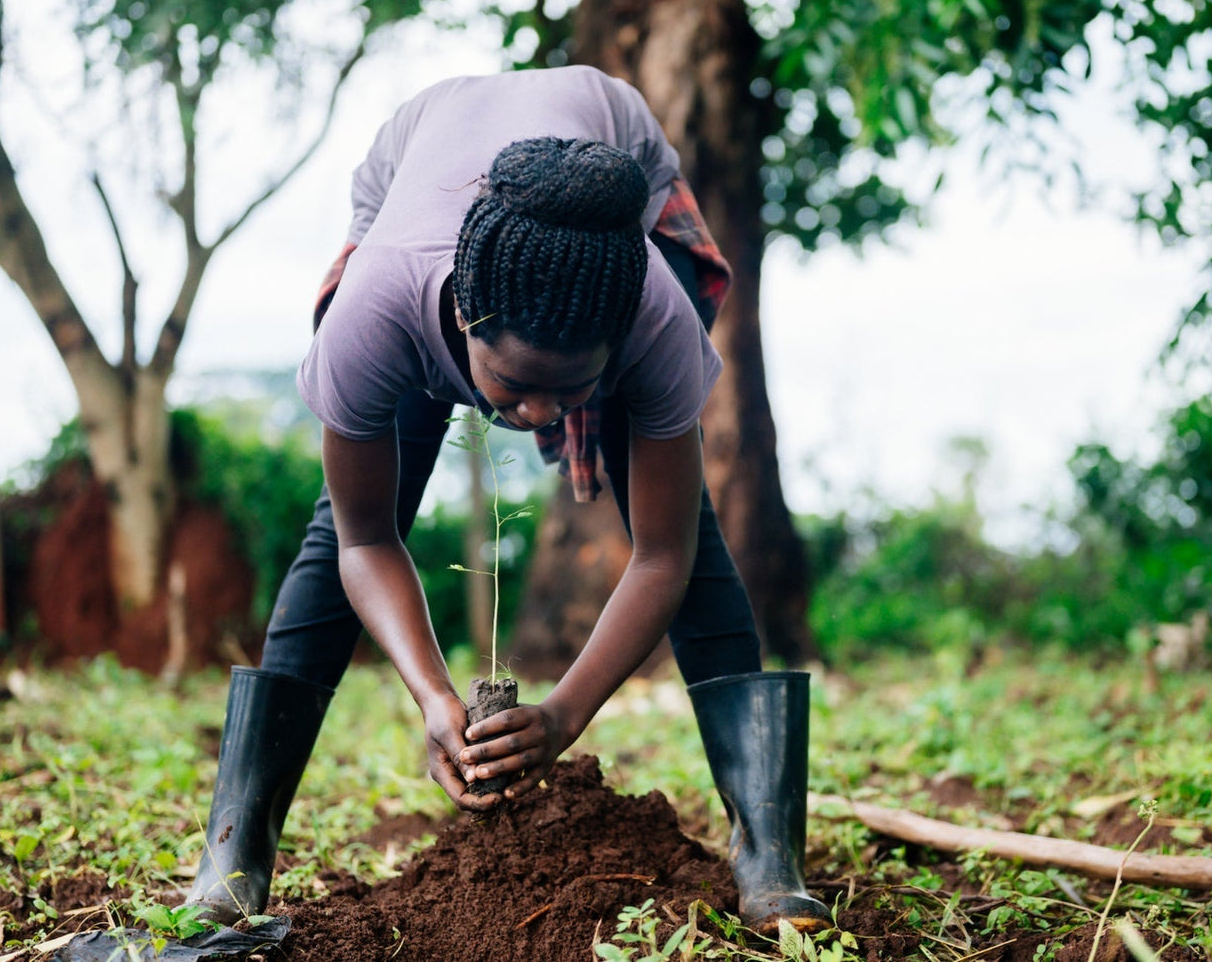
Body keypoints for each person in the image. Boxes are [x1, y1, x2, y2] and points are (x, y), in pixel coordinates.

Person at [183, 65, 832, 936]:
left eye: (571, 390)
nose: (535, 415)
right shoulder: (378, 316)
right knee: (341, 520)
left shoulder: (653, 320)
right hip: (415, 169)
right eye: (513, 384)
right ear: (463, 318)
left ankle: (769, 850)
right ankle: (236, 847)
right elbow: (366, 540)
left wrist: (562, 714)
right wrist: (432, 694)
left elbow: (663, 557)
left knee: (688, 526)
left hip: (616, 177)